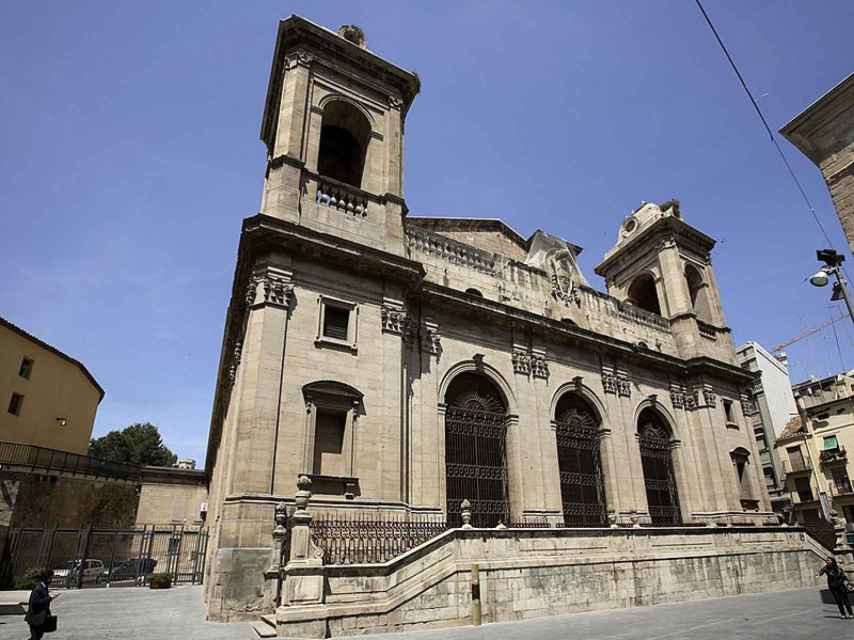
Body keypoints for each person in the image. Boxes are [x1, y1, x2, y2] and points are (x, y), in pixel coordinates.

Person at [24, 569, 53, 640]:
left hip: (40, 618)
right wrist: (47, 599)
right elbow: (34, 603)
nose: (51, 580)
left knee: (38, 636)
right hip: (34, 618)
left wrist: (48, 613)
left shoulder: (44, 587)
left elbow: (44, 604)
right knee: (35, 637)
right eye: (50, 578)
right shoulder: (38, 589)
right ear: (45, 578)